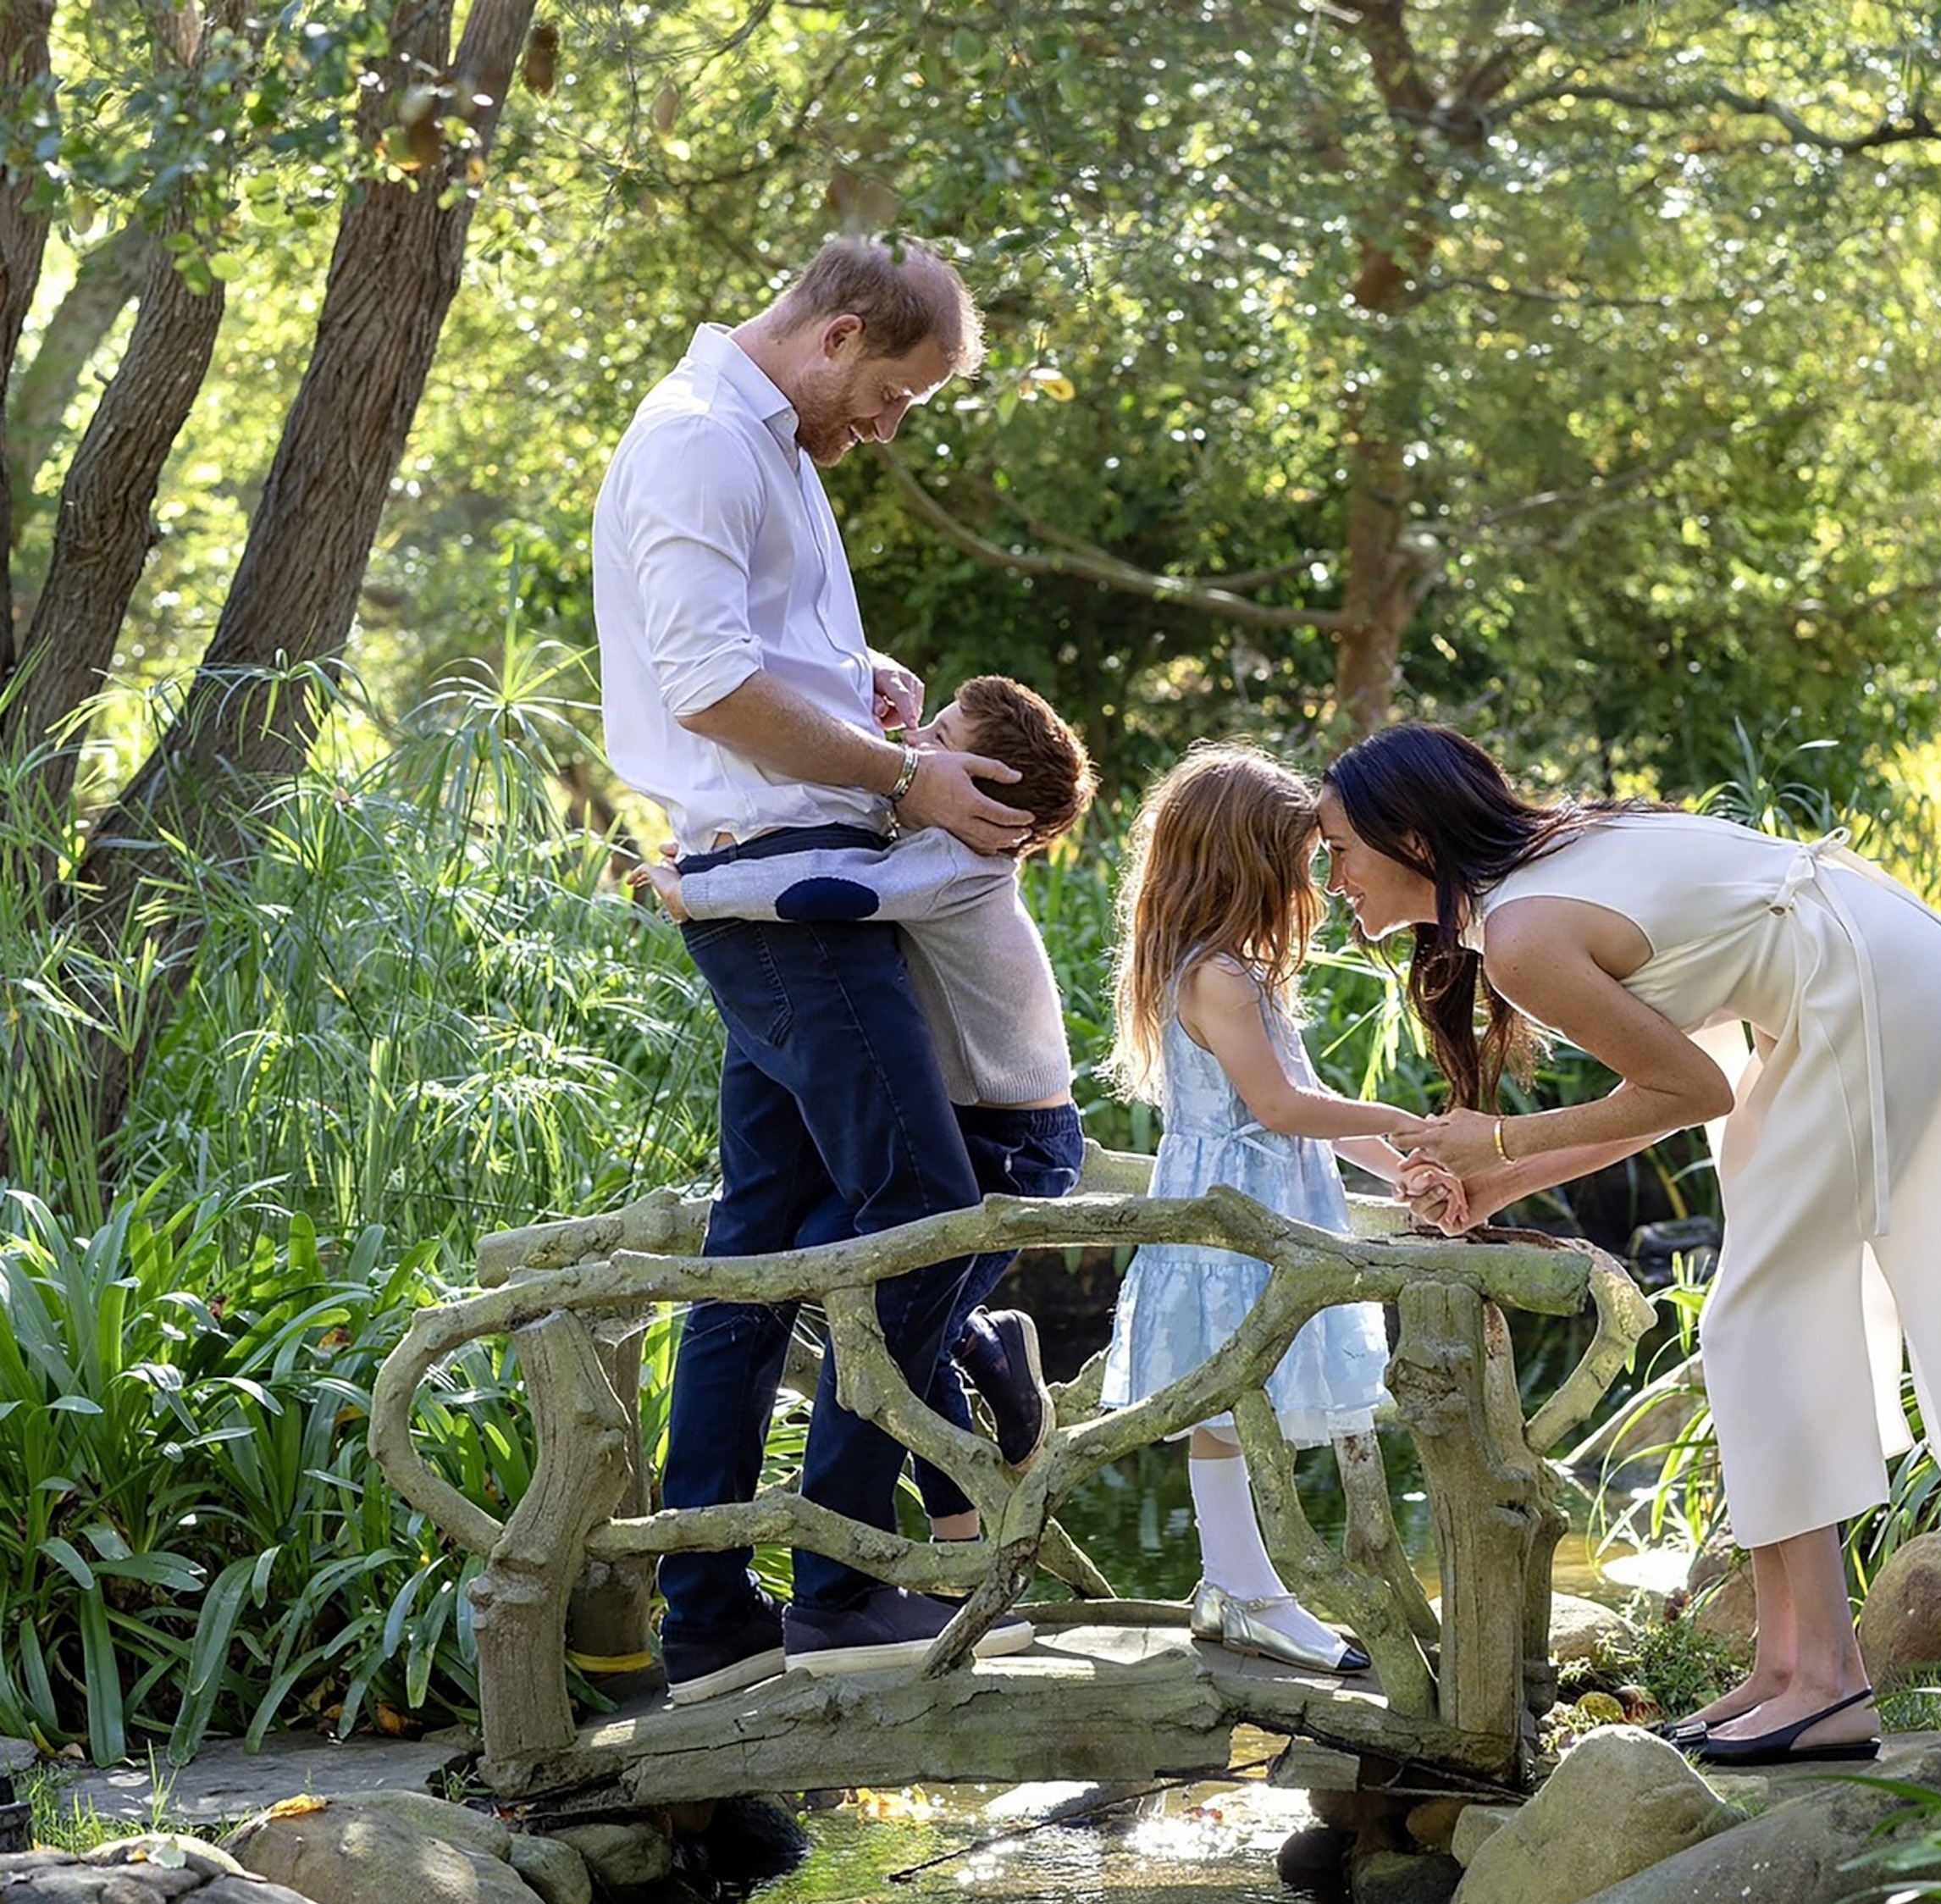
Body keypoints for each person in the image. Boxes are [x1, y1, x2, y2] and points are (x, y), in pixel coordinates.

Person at [1319, 723, 1941, 1764]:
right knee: (1760, 1319)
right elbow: (1655, 1100)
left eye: (1339, 848)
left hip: (1871, 987)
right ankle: (1788, 1667)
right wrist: (1498, 1177)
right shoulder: (1543, 879)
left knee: (1760, 1319)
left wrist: (1501, 1139)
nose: (1331, 876)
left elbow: (1694, 1089)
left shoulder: (1521, 935)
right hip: (1869, 966)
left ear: (1415, 841)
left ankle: (1830, 1681)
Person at [595, 232, 1042, 1705]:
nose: (887, 427)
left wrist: (861, 691)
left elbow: (762, 663)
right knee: (923, 1209)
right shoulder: (701, 442)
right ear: (841, 333)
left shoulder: (773, 442)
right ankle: (843, 1580)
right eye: (896, 394)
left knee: (758, 1253)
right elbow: (706, 686)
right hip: (791, 905)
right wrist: (905, 772)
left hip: (786, 888)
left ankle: (713, 1620)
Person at [634, 674, 1099, 1529]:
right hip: (976, 1123)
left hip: (1016, 1141)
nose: (915, 750)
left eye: (942, 737)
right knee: (852, 1277)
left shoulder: (959, 863)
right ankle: (977, 1371)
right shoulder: (928, 840)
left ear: (987, 792)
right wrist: (893, 723)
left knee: (892, 1307)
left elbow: (831, 888)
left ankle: (963, 1487)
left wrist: (692, 891)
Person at [1099, 744, 1452, 1675]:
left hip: (1263, 1211)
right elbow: (1281, 1110)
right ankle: (1248, 1589)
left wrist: (1404, 1163)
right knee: (1233, 1398)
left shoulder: (1234, 971)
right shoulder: (1216, 975)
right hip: (1233, 1224)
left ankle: (1234, 1581)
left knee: (1248, 1399)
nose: (1318, 884)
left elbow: (1308, 1106)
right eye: (1303, 864)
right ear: (1246, 864)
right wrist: (1407, 1119)